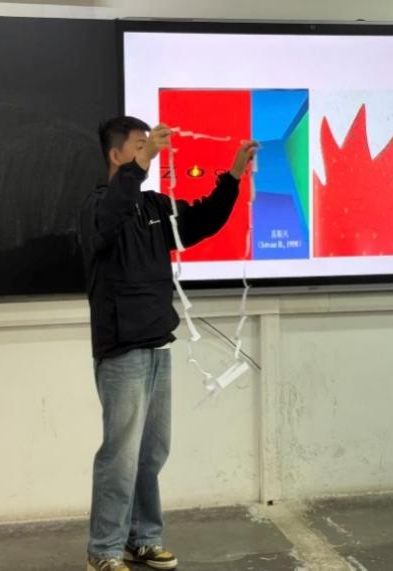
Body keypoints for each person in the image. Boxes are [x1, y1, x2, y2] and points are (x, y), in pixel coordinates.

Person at [80, 116, 257, 571]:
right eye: (138, 146)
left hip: (158, 343)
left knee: (151, 452)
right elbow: (112, 214)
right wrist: (140, 167)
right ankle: (104, 549)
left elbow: (202, 221)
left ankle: (142, 538)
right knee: (120, 454)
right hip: (121, 349)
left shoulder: (154, 206)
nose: (149, 153)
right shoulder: (99, 207)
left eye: (149, 146)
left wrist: (233, 175)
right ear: (115, 155)